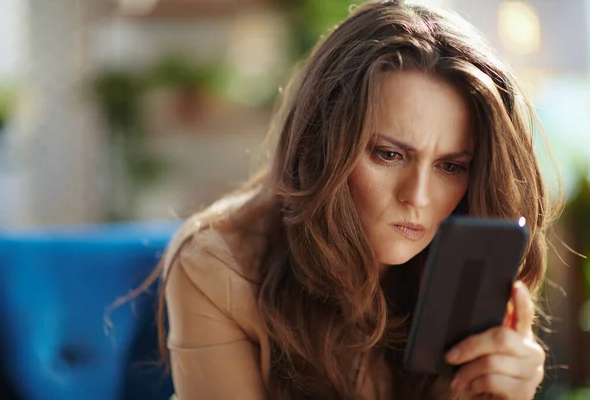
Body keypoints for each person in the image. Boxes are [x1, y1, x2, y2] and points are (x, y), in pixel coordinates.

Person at [149, 0, 561, 398]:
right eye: (388, 154)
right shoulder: (217, 266)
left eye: (451, 166)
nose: (417, 197)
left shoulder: (474, 254)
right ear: (323, 145)